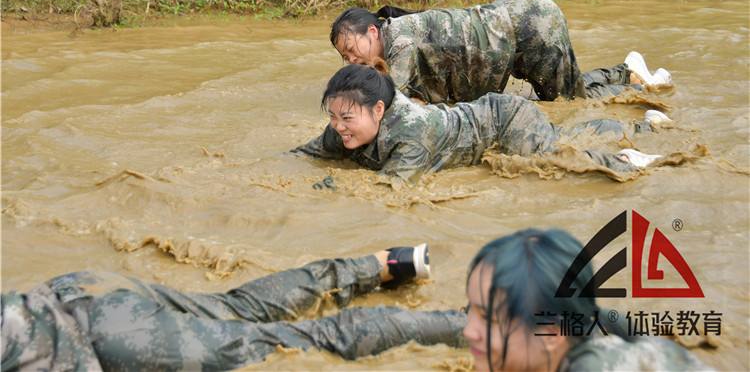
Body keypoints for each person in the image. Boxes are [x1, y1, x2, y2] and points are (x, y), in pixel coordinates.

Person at [1, 244, 466, 371]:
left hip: (106, 341)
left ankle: (472, 326)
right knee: (235, 305)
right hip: (75, 290)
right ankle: (387, 263)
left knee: (302, 342)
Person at [294, 64, 671, 184]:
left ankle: (629, 156)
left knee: (556, 158)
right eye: (332, 116)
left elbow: (387, 190)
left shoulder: (411, 134)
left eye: (346, 118)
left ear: (378, 110)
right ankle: (646, 125)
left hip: (505, 121)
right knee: (560, 138)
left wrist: (332, 187)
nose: (338, 126)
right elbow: (303, 154)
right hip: (484, 117)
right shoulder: (343, 126)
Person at [329, 0, 672, 103]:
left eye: (351, 48)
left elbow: (389, 104)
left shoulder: (399, 41)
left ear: (372, 31)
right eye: (343, 57)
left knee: (570, 103)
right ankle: (629, 73)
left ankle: (630, 77)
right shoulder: (392, 40)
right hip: (508, 24)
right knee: (564, 91)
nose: (350, 59)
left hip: (530, 24)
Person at [463, 228, 710, 371]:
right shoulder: (576, 324)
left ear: (551, 334)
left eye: (486, 317)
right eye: (470, 310)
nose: (468, 331)